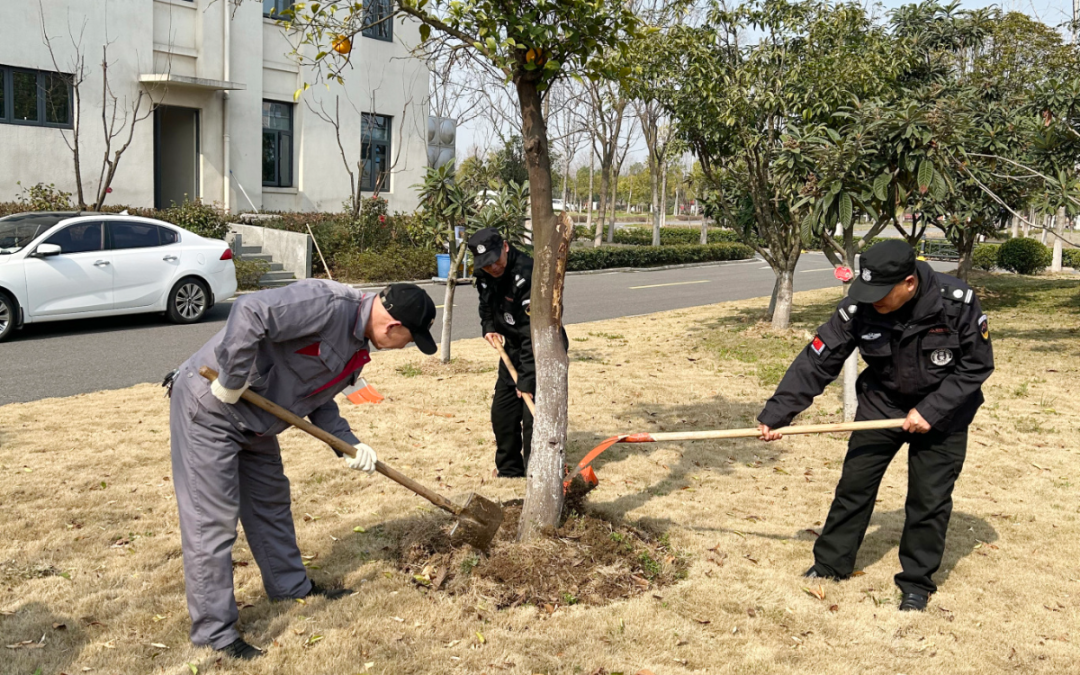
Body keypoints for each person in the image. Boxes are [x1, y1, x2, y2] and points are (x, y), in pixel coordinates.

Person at [166, 280, 436, 659]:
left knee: (270, 505)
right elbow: (250, 311)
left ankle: (291, 588)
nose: (407, 346)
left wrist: (347, 443)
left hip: (258, 421)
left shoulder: (356, 346)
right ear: (393, 327)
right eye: (410, 338)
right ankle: (215, 634)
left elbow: (317, 397)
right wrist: (231, 378)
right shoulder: (327, 304)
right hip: (209, 409)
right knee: (211, 522)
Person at [756, 240, 994, 612]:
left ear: (910, 283)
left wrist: (930, 410)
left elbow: (976, 366)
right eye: (868, 291)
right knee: (855, 484)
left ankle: (916, 583)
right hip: (882, 404)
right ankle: (831, 565)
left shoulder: (956, 303)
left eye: (882, 293)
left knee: (927, 499)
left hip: (945, 412)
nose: (874, 301)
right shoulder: (860, 308)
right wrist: (777, 413)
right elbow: (818, 361)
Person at [468, 227, 566, 477]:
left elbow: (531, 333)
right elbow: (485, 302)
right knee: (503, 413)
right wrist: (488, 327)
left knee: (533, 416)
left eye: (495, 260)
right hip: (511, 348)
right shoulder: (484, 272)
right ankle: (509, 470)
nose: (492, 268)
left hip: (542, 350)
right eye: (486, 264)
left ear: (506, 247)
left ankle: (537, 472)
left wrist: (526, 380)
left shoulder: (529, 274)